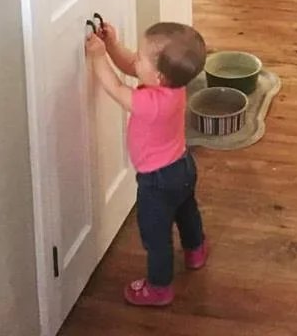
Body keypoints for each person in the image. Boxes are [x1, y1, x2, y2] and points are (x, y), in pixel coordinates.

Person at [85, 20, 208, 307]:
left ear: (158, 76)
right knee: (187, 211)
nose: (135, 59)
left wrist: (98, 57)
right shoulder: (172, 88)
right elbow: (131, 66)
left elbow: (115, 87)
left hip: (157, 181)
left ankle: (159, 287)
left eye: (141, 56)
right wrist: (113, 45)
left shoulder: (150, 103)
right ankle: (196, 249)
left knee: (156, 236)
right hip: (182, 167)